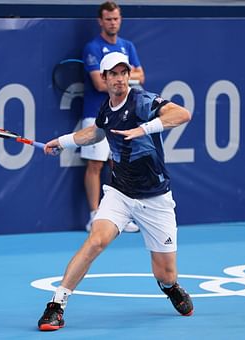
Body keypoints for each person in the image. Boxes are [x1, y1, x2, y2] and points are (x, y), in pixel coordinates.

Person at [37, 52, 193, 332]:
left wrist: (144, 129)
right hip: (120, 193)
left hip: (156, 198)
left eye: (124, 73)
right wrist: (61, 142)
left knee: (165, 273)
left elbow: (182, 114)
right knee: (96, 241)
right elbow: (96, 133)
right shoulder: (106, 109)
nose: (120, 79)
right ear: (105, 78)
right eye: (114, 74)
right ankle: (56, 305)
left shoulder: (143, 101)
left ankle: (170, 287)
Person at [82, 1, 145, 232]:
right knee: (95, 165)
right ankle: (93, 215)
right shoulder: (93, 47)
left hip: (124, 114)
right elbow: (99, 84)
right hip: (95, 115)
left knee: (118, 164)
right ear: (101, 21)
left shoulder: (128, 46)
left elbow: (142, 75)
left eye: (116, 18)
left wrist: (119, 78)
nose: (113, 22)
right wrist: (127, 77)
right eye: (108, 19)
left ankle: (120, 215)